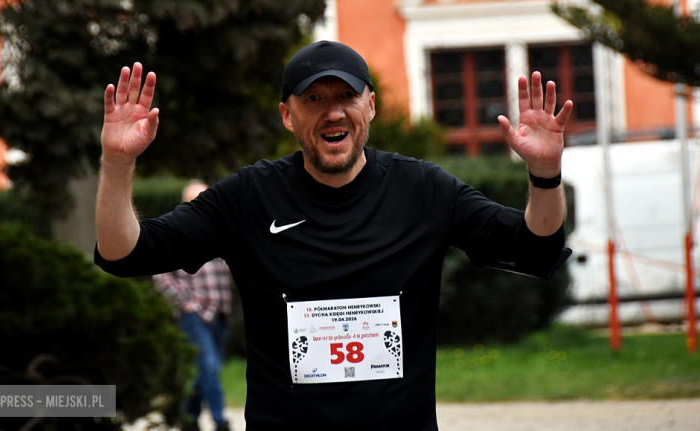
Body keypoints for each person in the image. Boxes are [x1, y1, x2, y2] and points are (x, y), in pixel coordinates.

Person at [95, 41, 572, 430]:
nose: (333, 112)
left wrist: (545, 174)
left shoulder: (422, 189)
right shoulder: (248, 197)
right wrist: (118, 163)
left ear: (371, 105)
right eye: (314, 99)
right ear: (287, 115)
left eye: (346, 96)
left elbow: (535, 247)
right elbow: (125, 253)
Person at [152, 181, 233, 431]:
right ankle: (220, 421)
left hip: (220, 314)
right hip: (194, 315)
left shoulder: (222, 231)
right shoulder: (178, 233)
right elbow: (160, 276)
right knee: (208, 365)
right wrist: (187, 304)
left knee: (207, 370)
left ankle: (189, 418)